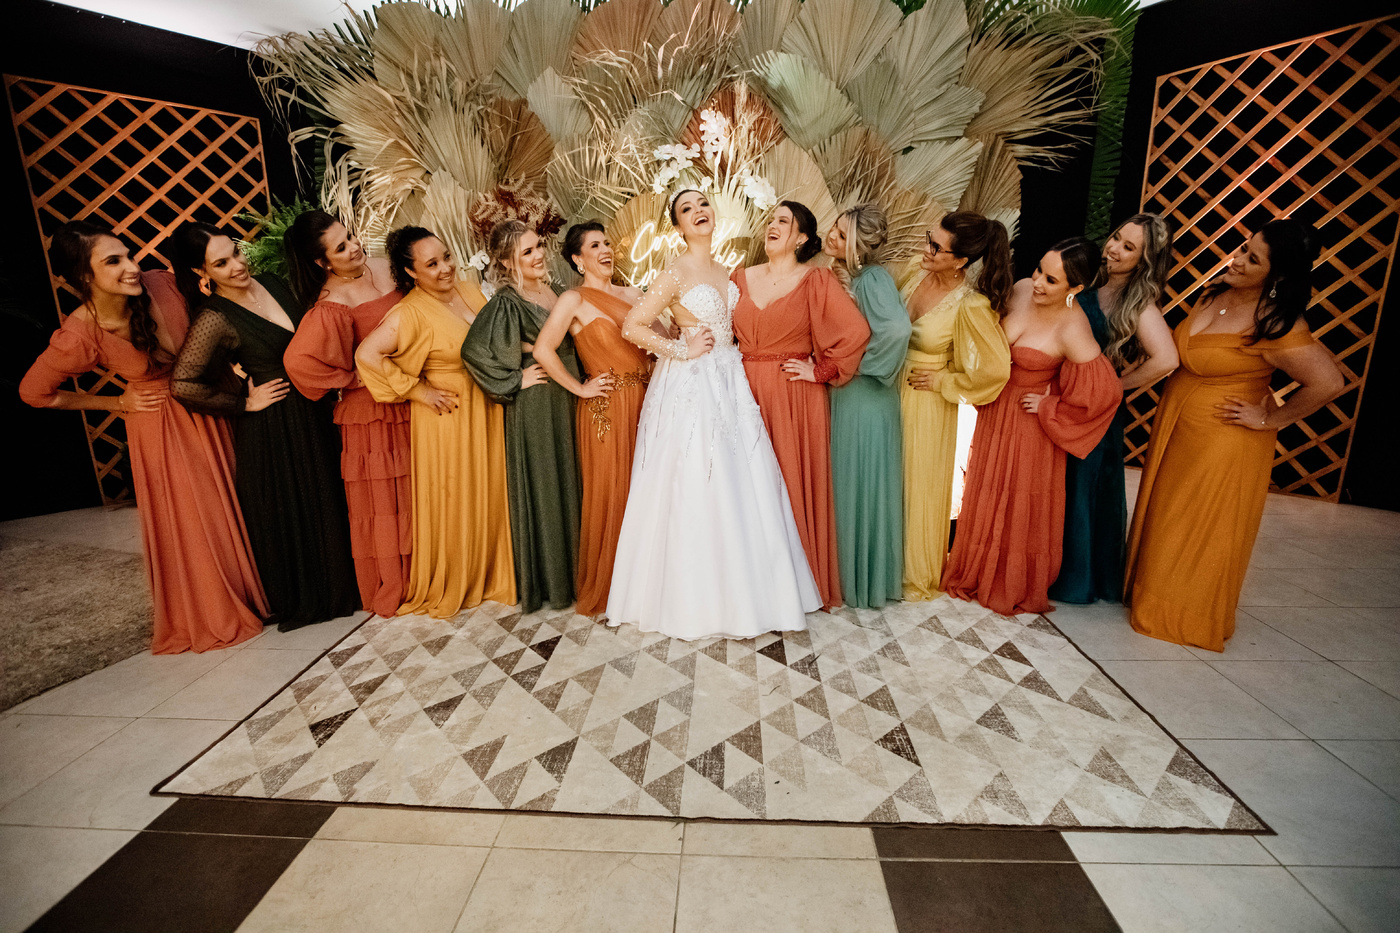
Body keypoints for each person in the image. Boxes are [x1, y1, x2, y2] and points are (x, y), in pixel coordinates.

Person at [19, 221, 267, 652]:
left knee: (247, 497)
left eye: (129, 255)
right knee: (201, 519)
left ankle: (269, 590)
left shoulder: (162, 283)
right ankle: (218, 605)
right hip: (165, 429)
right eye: (113, 262)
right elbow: (34, 392)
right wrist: (115, 402)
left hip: (218, 402)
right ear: (84, 277)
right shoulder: (80, 333)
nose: (132, 267)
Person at [607, 189, 821, 638]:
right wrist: (679, 349)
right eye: (687, 209)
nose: (698, 212)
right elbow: (632, 325)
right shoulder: (674, 272)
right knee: (695, 476)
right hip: (691, 380)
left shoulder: (727, 271)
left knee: (743, 477)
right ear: (678, 227)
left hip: (730, 377)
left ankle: (752, 591)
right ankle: (694, 600)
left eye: (703, 204)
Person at [1125, 219, 1343, 650]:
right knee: (1166, 513)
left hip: (1225, 438)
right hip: (1178, 425)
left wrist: (1269, 419)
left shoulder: (1277, 323)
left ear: (1277, 276)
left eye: (1253, 259)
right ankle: (1150, 592)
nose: (1237, 260)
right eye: (1243, 248)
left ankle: (1182, 611)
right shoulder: (1215, 293)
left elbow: (1328, 382)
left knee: (1195, 523)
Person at [170, 222, 358, 629]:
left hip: (316, 410)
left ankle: (351, 585)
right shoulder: (214, 317)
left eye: (236, 253)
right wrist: (244, 403)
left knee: (331, 495)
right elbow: (183, 384)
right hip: (275, 426)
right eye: (221, 263)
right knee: (299, 510)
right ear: (202, 272)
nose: (238, 266)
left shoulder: (274, 282)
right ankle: (316, 596)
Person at [940, 238, 1120, 616]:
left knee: (1017, 503)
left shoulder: (1074, 328)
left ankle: (1008, 581)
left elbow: (1104, 394)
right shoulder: (1021, 288)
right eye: (1039, 269)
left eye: (1051, 280)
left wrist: (1051, 404)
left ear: (1075, 288)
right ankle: (974, 570)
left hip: (1029, 426)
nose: (1037, 281)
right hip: (995, 413)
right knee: (985, 490)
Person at [355, 226, 516, 617]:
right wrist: (417, 391)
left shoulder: (468, 289)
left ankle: (496, 569)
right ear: (411, 272)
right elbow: (366, 355)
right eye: (432, 264)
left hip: (487, 402)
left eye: (445, 257)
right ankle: (462, 574)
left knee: (493, 487)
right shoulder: (408, 312)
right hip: (449, 415)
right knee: (457, 493)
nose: (445, 268)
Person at [732, 201, 869, 610]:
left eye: (783, 221)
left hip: (794, 395)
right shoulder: (738, 277)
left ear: (802, 237)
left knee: (788, 485)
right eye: (770, 219)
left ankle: (794, 587)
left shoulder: (816, 280)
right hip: (742, 392)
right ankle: (751, 587)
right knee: (746, 487)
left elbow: (855, 332)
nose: (772, 226)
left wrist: (820, 371)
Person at [282, 210, 410, 618]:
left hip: (408, 394)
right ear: (322, 262)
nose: (354, 246)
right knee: (389, 501)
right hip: (372, 413)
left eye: (351, 236)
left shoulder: (383, 265)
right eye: (341, 247)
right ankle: (401, 581)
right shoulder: (331, 303)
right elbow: (298, 362)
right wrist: (353, 378)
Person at [1049, 213, 1178, 604]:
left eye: (1129, 247)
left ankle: (1075, 576)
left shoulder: (1139, 305)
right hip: (1057, 398)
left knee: (1082, 486)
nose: (1114, 249)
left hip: (1095, 412)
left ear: (1144, 261)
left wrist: (1111, 388)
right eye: (1117, 237)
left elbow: (1167, 359)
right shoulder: (1088, 278)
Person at [532, 222, 654, 617]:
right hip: (607, 407)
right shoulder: (573, 299)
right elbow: (543, 350)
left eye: (607, 243)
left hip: (649, 401)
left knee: (649, 491)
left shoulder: (634, 294)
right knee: (613, 492)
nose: (605, 250)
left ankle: (650, 583)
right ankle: (615, 586)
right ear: (577, 259)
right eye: (595, 245)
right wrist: (579, 389)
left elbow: (661, 343)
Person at [461, 220, 582, 614]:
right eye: (526, 251)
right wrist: (516, 379)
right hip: (538, 403)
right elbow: (474, 351)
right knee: (548, 481)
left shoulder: (555, 289)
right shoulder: (506, 302)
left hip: (568, 392)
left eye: (538, 246)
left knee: (574, 475)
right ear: (506, 261)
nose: (538, 255)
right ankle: (556, 582)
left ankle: (581, 573)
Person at [900, 211, 1013, 600]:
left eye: (936, 247)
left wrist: (944, 380)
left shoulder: (971, 305)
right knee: (888, 478)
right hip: (888, 387)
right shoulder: (912, 272)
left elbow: (995, 370)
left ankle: (912, 573)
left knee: (918, 485)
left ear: (961, 260)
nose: (926, 249)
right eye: (928, 238)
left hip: (927, 401)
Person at [824, 204, 909, 609]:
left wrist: (858, 366)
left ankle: (859, 580)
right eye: (834, 228)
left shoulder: (873, 279)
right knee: (848, 481)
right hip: (852, 392)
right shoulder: (845, 275)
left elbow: (897, 330)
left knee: (858, 481)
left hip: (865, 395)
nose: (831, 236)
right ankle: (848, 577)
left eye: (842, 235)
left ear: (859, 247)